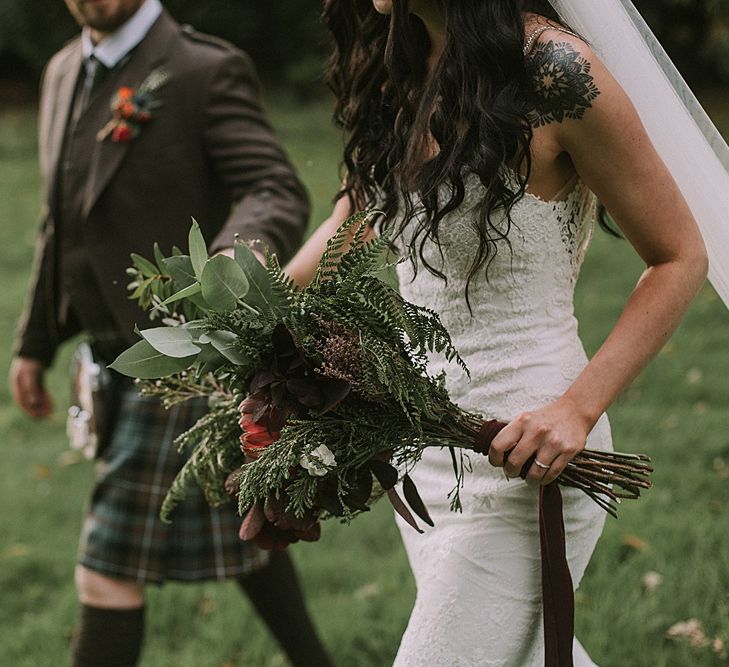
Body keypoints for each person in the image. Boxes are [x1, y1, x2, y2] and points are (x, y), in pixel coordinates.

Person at [285, 0, 709, 664]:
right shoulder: (399, 60)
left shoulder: (555, 74)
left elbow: (679, 255)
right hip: (426, 452)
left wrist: (575, 409)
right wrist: (250, 307)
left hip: (530, 453)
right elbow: (357, 215)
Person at [9, 1, 332, 666]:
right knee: (243, 531)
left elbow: (273, 185)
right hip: (112, 357)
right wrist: (34, 343)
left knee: (106, 565)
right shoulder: (63, 70)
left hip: (188, 355)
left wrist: (230, 257)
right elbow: (59, 224)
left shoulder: (202, 68)